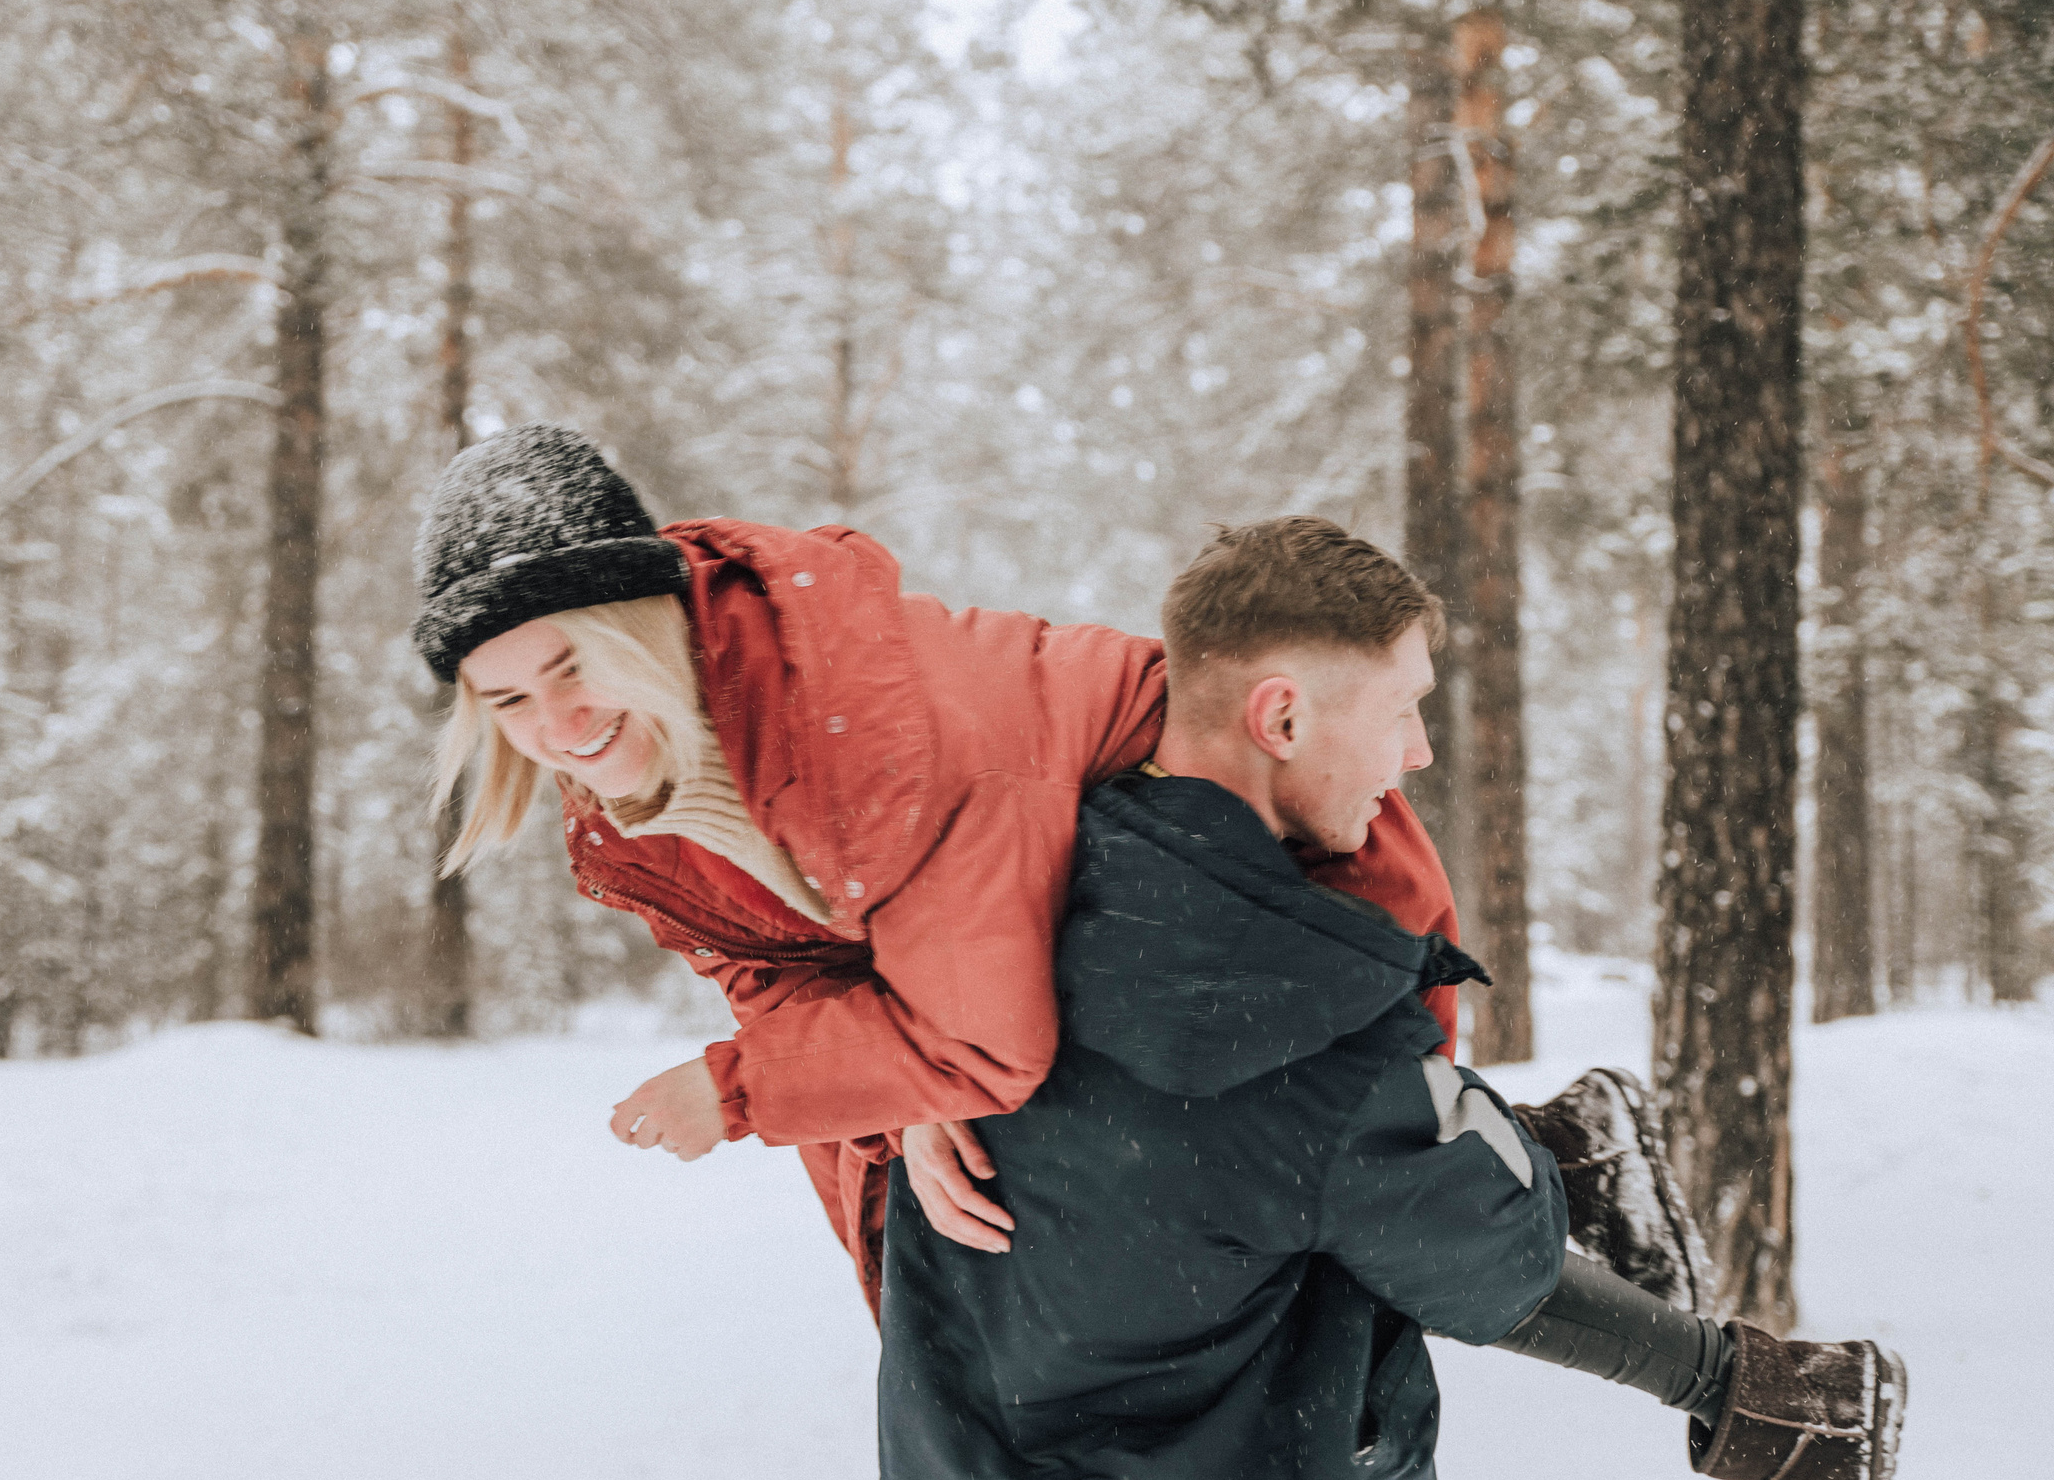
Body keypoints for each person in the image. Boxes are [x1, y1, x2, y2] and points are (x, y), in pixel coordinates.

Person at [876, 519, 1907, 1480]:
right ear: (1280, 718)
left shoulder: (992, 895)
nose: (1415, 751)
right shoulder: (1298, 1028)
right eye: (1402, 707)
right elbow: (1489, 1263)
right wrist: (1495, 1159)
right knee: (1423, 1196)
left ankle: (1686, 1300)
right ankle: (1759, 1383)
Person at [412, 423, 1463, 1313]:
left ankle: (1508, 1198)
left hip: (1284, 897)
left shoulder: (857, 720)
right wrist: (900, 1094)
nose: (557, 726)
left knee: (1196, 1254)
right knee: (968, 1290)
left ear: (640, 624)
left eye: (573, 668)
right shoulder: (627, 804)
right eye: (506, 701)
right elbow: (776, 975)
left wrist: (735, 1089)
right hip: (1026, 980)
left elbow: (983, 1041)